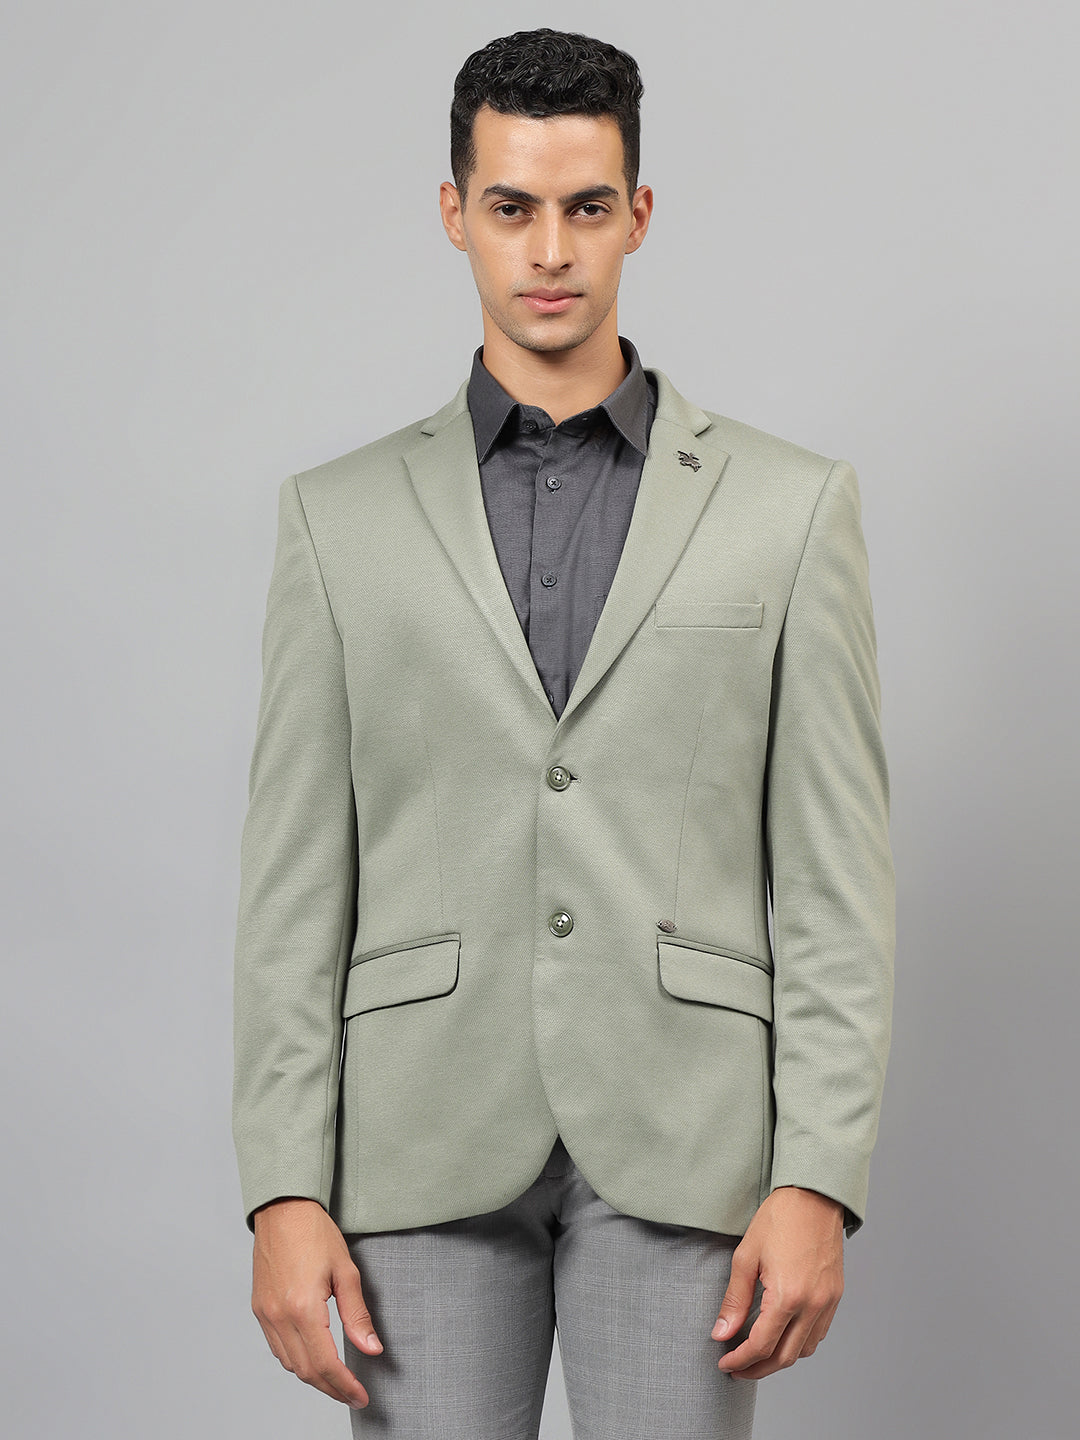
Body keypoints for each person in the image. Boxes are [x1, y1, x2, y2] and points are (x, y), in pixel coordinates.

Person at [232, 27, 894, 1440]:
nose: (550, 250)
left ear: (638, 215)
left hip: (690, 1142)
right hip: (418, 1141)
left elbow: (836, 883)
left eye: (587, 207)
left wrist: (817, 1174)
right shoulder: (336, 520)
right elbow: (293, 887)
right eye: (512, 206)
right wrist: (283, 1187)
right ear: (455, 212)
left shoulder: (789, 509)